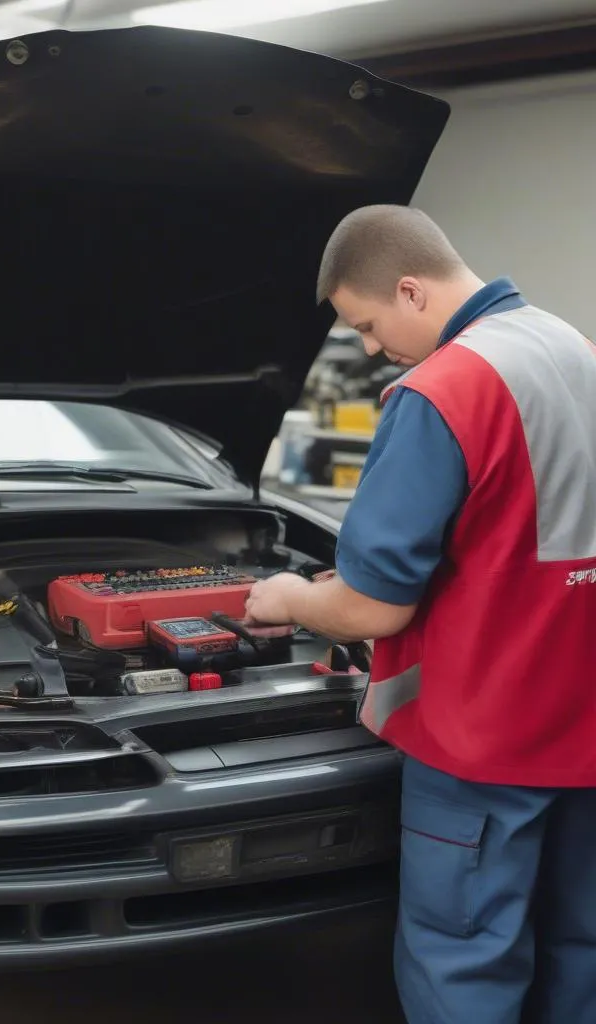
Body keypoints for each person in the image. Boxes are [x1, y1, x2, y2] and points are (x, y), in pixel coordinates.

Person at [243, 205, 596, 1024]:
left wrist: (290, 598)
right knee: (579, 951)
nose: (368, 349)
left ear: (410, 289)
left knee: (463, 959)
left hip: (484, 741)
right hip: (584, 727)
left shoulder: (444, 389)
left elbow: (371, 606)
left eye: (366, 324)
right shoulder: (576, 351)